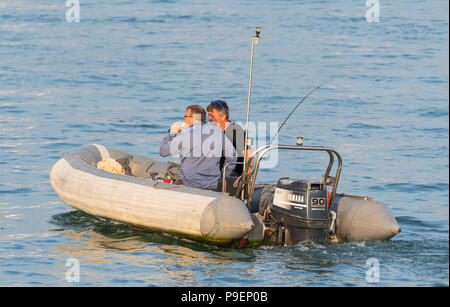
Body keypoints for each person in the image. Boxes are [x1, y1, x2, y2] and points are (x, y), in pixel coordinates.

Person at [159, 105, 237, 190]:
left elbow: (163, 151)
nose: (184, 119)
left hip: (189, 184)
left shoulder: (185, 134)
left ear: (192, 118)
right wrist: (223, 174)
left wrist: (172, 133)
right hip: (213, 185)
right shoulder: (217, 131)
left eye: (185, 116)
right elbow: (233, 156)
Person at [207, 100, 249, 176]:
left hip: (233, 173)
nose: (209, 119)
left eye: (212, 116)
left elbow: (248, 155)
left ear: (223, 116)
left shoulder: (235, 130)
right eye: (209, 116)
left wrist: (246, 176)